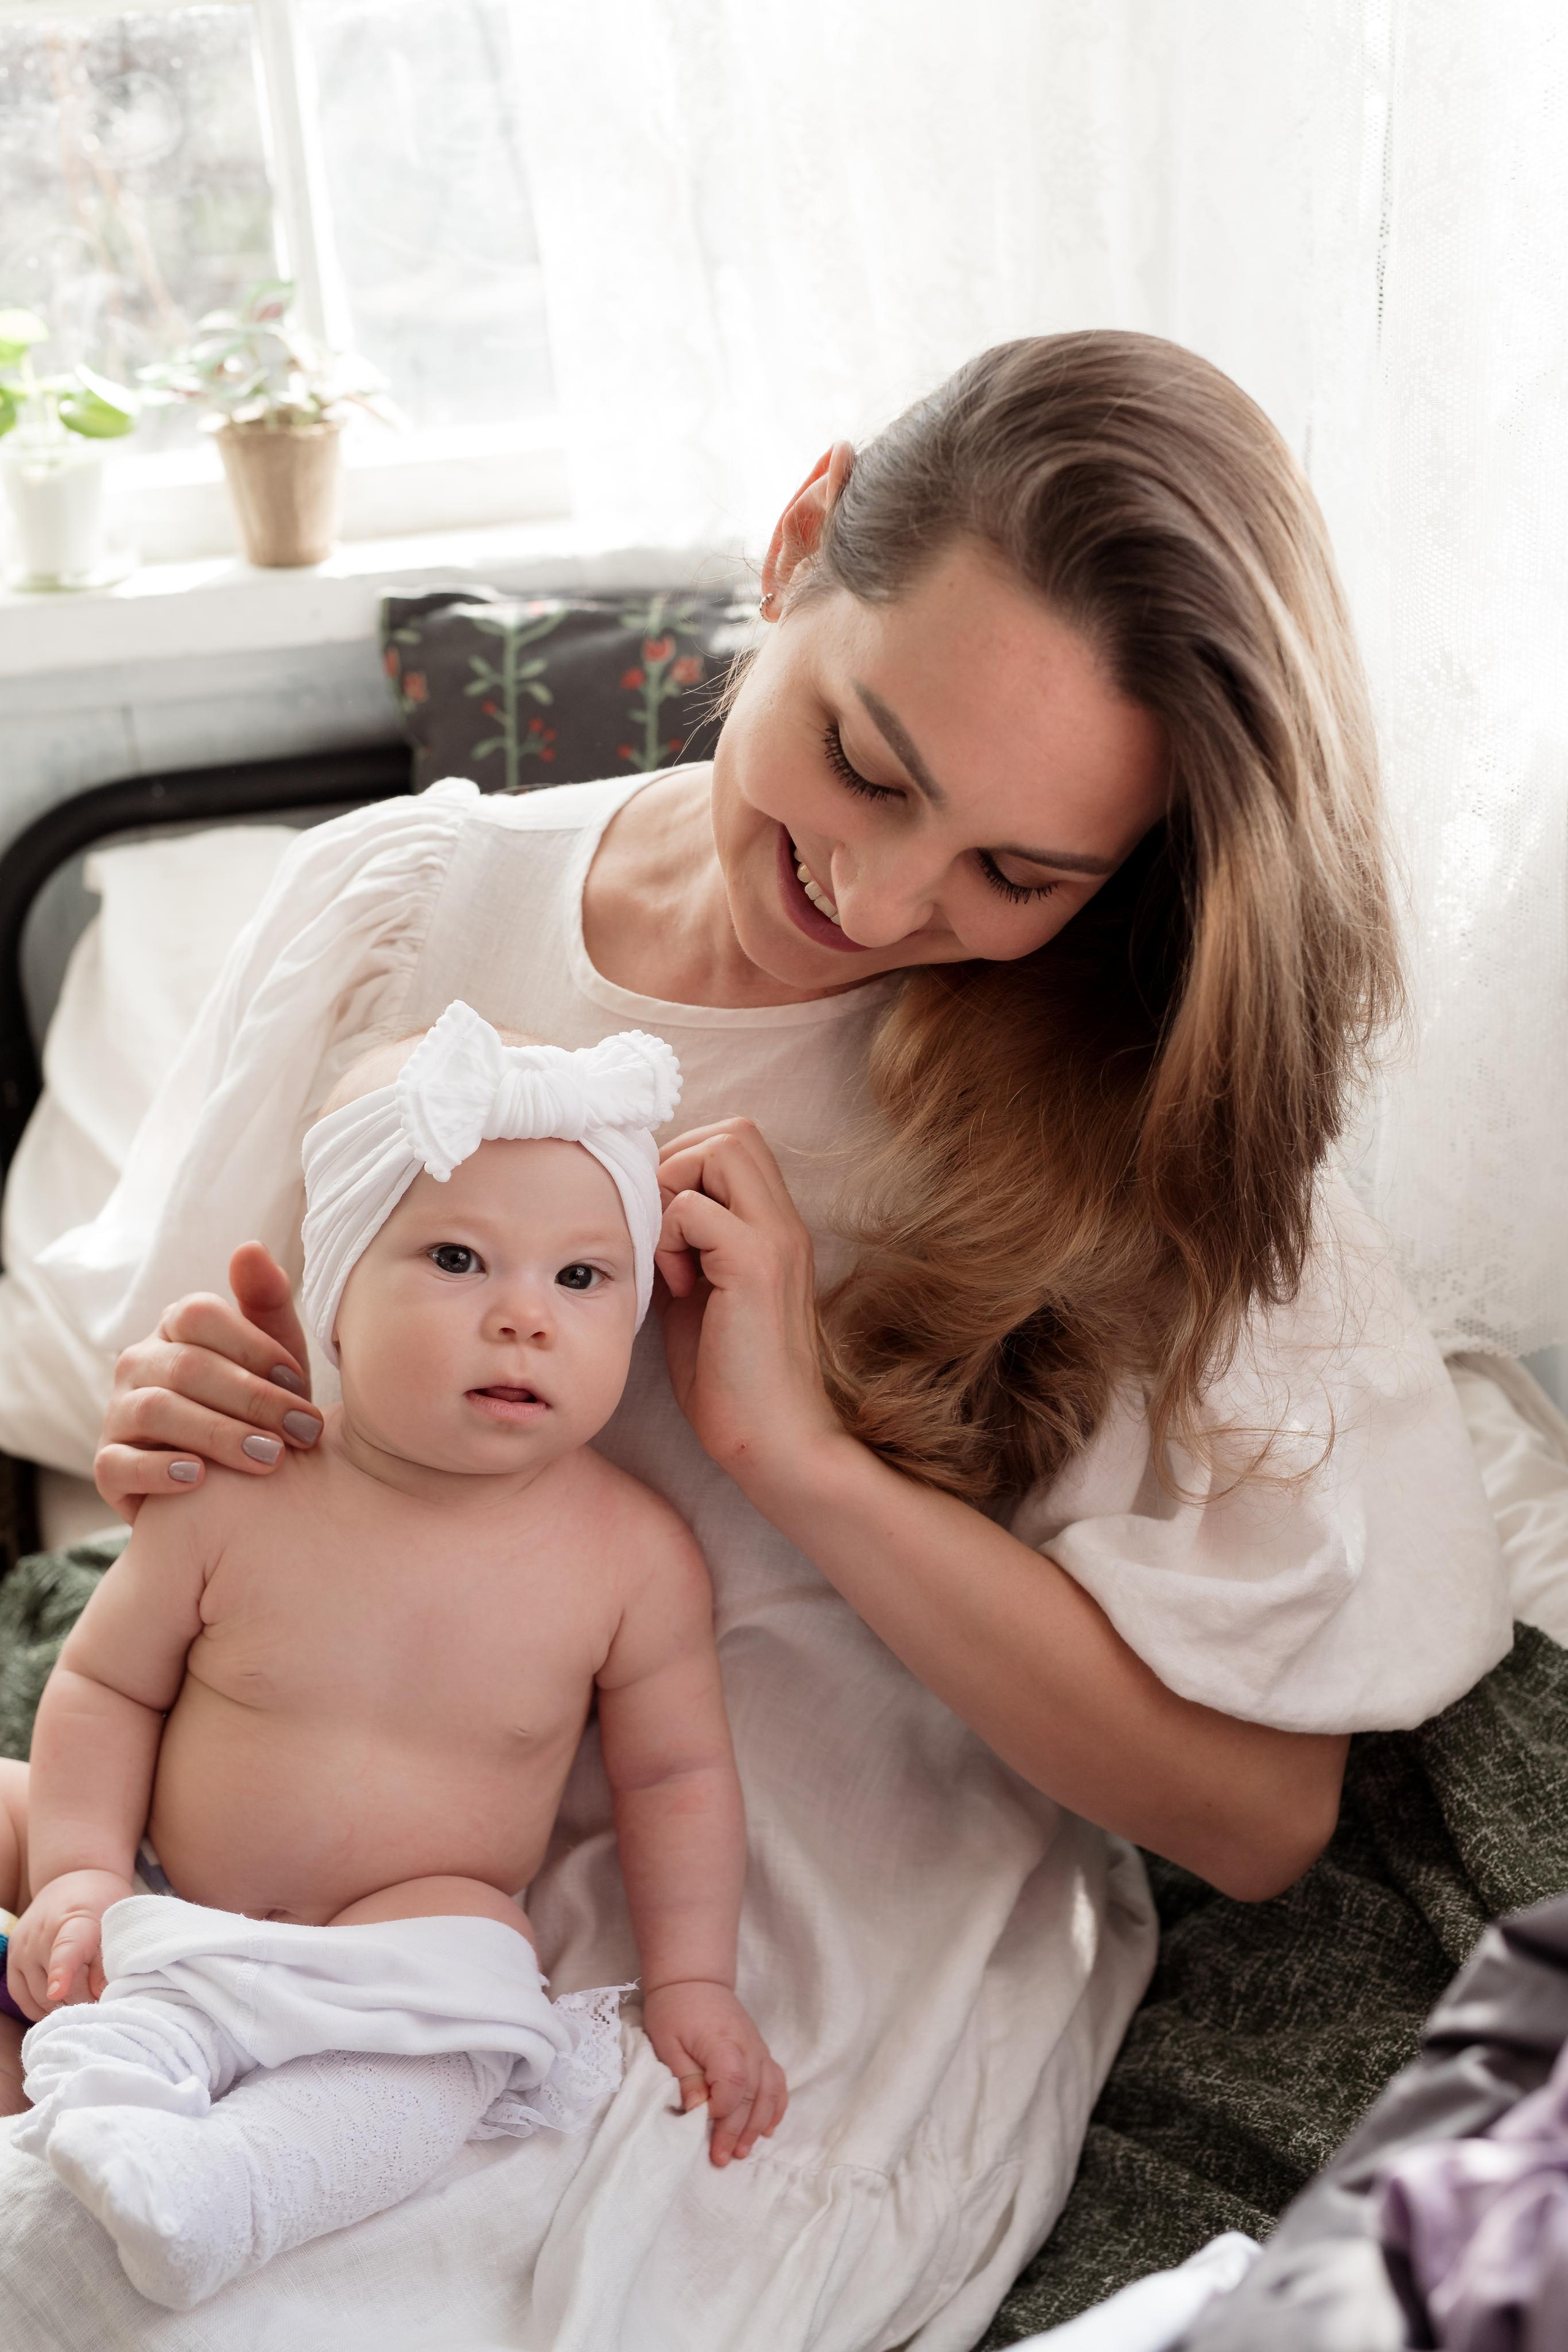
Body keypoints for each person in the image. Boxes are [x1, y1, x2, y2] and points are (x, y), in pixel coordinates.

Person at [0, 333, 1510, 2351]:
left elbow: (1256, 1821)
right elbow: (179, 1438)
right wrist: (199, 1415)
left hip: (757, 1983)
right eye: (869, 762)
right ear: (801, 545)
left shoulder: (1133, 1119)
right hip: (298, 1859)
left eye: (1017, 874)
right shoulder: (404, 912)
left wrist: (805, 1456)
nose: (875, 893)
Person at [4, 1008, 783, 2308]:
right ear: (337, 1297)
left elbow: (674, 1781)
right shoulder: (236, 1493)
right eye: (460, 1259)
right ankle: (108, 2064)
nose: (524, 1318)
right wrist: (83, 1867)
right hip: (159, 1881)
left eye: (582, 1279)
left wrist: (694, 1979)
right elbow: (104, 1684)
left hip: (400, 1939)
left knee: (477, 2010)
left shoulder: (631, 1558)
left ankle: (233, 2184)